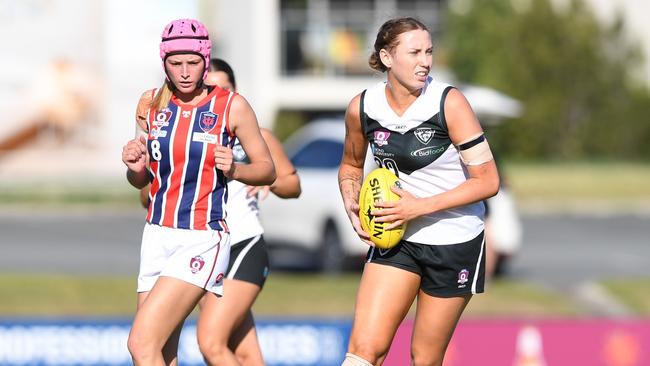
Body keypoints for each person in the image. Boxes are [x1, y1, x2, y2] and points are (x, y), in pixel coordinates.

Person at [337, 17, 500, 366]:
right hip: (396, 239)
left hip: (455, 243)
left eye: (429, 51)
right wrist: (351, 200)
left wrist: (418, 207)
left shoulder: (449, 104)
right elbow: (351, 166)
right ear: (386, 57)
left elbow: (488, 181)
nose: (425, 61)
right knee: (364, 350)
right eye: (414, 52)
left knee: (424, 358)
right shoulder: (362, 108)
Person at [121, 19, 276, 365]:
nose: (185, 72)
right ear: (164, 63)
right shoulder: (150, 104)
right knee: (161, 349)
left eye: (193, 62)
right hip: (157, 233)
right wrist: (135, 169)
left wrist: (235, 169)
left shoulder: (231, 106)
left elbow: (267, 168)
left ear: (206, 60)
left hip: (202, 237)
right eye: (176, 63)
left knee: (140, 343)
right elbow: (142, 182)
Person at [140, 57, 301, 365]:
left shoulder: (252, 134)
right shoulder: (181, 134)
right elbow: (147, 195)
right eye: (208, 86)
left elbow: (292, 184)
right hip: (194, 244)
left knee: (210, 341)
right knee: (244, 351)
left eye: (222, 87)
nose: (213, 93)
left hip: (241, 244)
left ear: (235, 91)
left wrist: (263, 180)